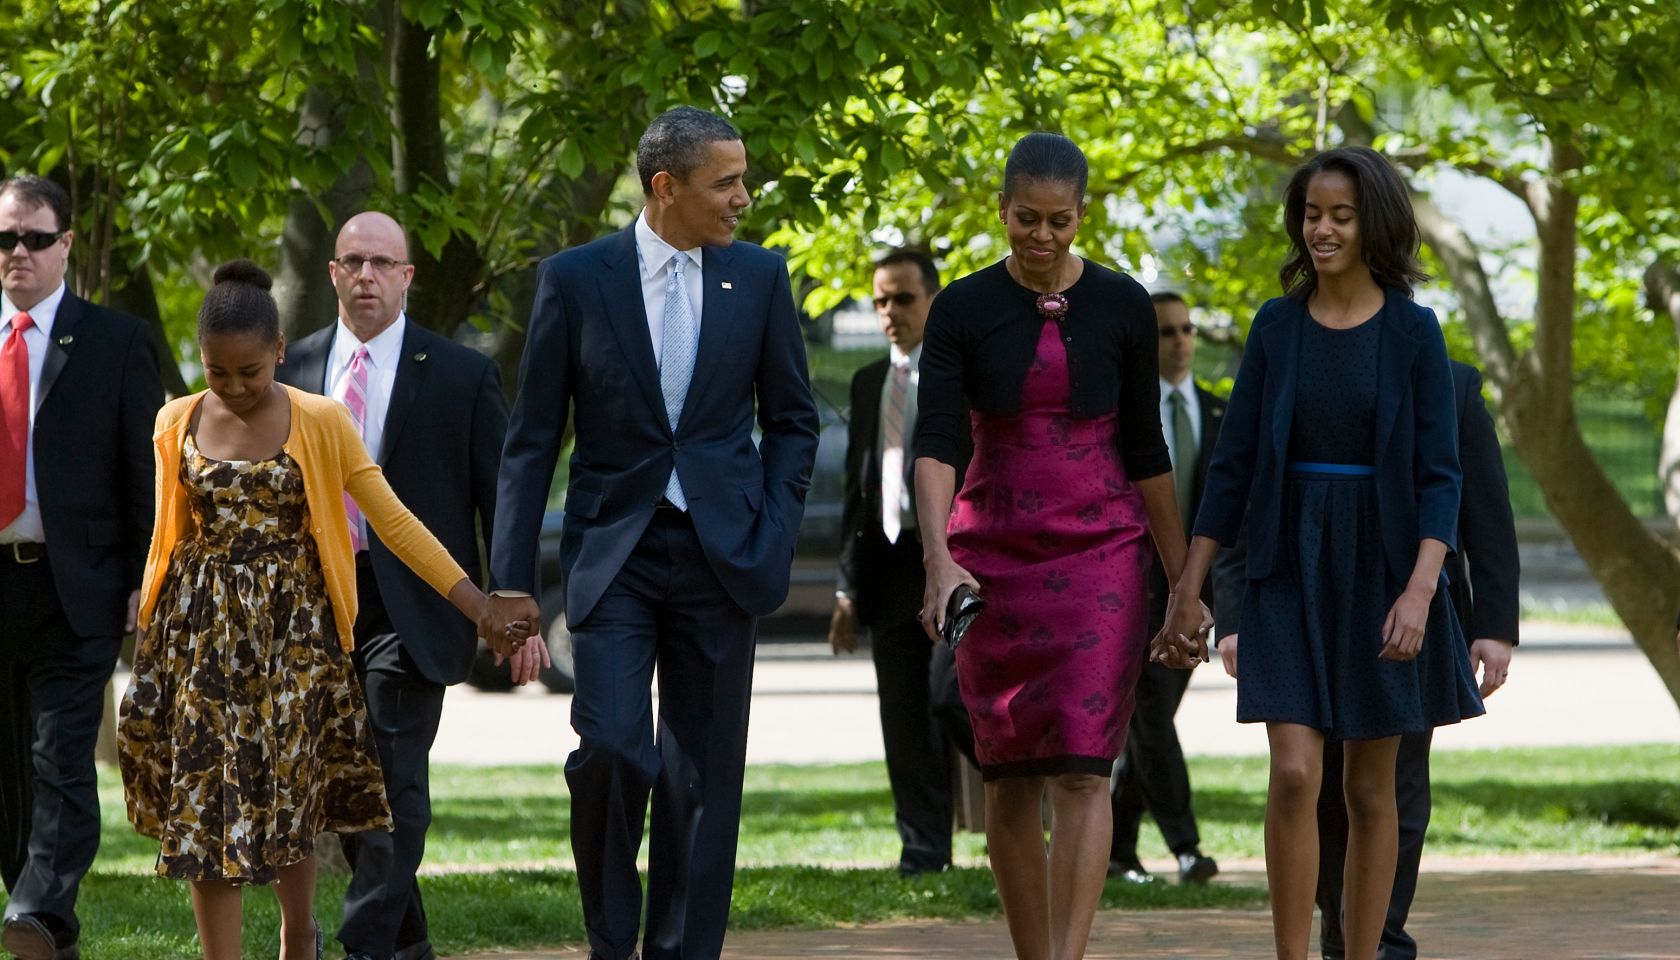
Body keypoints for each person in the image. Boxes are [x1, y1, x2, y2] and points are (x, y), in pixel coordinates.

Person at [481, 106, 820, 960]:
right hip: (614, 555)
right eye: (727, 182)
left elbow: (792, 422)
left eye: (744, 179)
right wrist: (511, 579)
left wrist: (773, 527)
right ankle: (610, 940)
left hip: (724, 554)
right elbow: (530, 440)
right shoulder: (575, 277)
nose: (744, 197)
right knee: (612, 749)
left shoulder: (763, 278)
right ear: (666, 187)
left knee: (702, 777)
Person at [116, 261, 526, 960]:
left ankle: (297, 933)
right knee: (205, 805)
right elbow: (167, 534)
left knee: (289, 795)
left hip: (292, 636)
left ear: (280, 352)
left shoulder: (321, 419)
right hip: (199, 638)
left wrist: (478, 602)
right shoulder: (173, 421)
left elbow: (394, 521)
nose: (236, 388)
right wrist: (149, 619)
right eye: (219, 372)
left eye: (250, 370)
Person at [1166, 145, 1485, 960]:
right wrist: (1189, 587)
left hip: (1380, 571)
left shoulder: (1415, 331)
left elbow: (1440, 478)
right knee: (1297, 774)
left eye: (1340, 214)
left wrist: (1420, 593)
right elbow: (1232, 466)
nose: (1323, 229)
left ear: (1373, 222)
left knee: (1369, 785)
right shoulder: (1276, 325)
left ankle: (1363, 950)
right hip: (1288, 565)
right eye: (1312, 214)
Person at [914, 131, 1206, 960]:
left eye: (1060, 221)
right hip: (993, 553)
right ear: (1001, 211)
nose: (1042, 238)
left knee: (1083, 768)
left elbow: (1146, 450)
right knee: (1009, 775)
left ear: (1083, 215)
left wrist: (1182, 579)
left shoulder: (1121, 304)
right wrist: (940, 561)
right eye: (1026, 220)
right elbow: (935, 440)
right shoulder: (962, 310)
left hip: (1100, 555)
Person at [275, 211, 517, 960]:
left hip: (415, 598)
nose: (367, 276)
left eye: (383, 263)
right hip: (320, 604)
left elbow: (497, 496)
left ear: (408, 276)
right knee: (347, 785)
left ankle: (364, 941)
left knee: (393, 770)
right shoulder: (293, 368)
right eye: (353, 261)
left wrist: (506, 599)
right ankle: (405, 944)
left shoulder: (461, 373)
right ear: (333, 273)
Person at [0, 174, 164, 960]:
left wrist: (145, 573)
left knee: (61, 754)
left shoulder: (116, 341)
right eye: (6, 239)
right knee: (7, 772)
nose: (18, 254)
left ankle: (38, 908)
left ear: (66, 243)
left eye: (34, 238)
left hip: (79, 586)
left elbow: (145, 472)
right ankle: (39, 926)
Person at [1311, 358, 1518, 960]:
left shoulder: (1451, 382)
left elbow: (1486, 504)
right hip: (1319, 599)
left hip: (1418, 610)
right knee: (1323, 782)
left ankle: (1381, 940)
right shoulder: (1304, 360)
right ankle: (1340, 936)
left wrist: (1495, 626)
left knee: (1397, 782)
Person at [829, 248, 972, 876]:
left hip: (954, 563)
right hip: (887, 568)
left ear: (933, 300)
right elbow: (856, 492)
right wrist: (845, 589)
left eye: (903, 298)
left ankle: (1032, 802)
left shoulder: (962, 375)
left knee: (953, 700)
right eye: (880, 300)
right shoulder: (867, 384)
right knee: (904, 717)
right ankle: (923, 850)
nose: (890, 311)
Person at [1107, 292, 1235, 886]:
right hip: (1129, 584)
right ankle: (1185, 846)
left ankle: (1117, 850)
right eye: (1166, 332)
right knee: (1149, 713)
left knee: (1147, 716)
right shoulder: (1122, 415)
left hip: (1194, 591)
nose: (1181, 340)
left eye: (1187, 329)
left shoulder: (1218, 415)